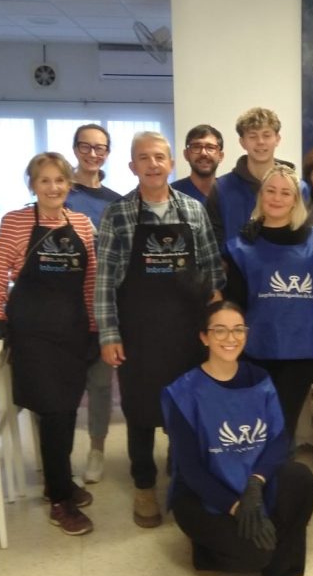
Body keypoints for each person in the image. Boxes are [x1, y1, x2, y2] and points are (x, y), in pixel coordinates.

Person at [96, 131, 225, 529]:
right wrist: (109, 334)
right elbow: (104, 281)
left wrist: (215, 328)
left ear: (171, 164)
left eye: (159, 157)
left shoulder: (193, 210)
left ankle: (179, 473)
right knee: (139, 412)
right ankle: (144, 484)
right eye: (143, 158)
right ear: (132, 166)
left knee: (184, 410)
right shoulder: (118, 214)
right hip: (138, 332)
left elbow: (212, 270)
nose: (152, 164)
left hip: (187, 331)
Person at [162, 301, 313, 576]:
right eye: (220, 330)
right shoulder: (182, 392)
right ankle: (206, 551)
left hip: (250, 482)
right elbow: (190, 469)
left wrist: (256, 484)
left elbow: (278, 439)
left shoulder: (260, 379)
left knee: (301, 479)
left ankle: (285, 569)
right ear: (204, 337)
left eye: (238, 330)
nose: (230, 338)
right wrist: (236, 506)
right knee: (253, 555)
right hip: (203, 495)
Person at [0, 152, 98, 536]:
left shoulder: (81, 224)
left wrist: (93, 327)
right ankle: (60, 500)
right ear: (32, 185)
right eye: (44, 180)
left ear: (70, 184)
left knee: (67, 410)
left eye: (59, 180)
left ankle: (56, 480)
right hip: (33, 331)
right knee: (52, 411)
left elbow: (90, 281)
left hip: (72, 330)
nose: (53, 187)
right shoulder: (16, 222)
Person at [223, 166, 313, 442]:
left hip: (300, 350)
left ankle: (279, 469)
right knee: (256, 422)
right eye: (270, 191)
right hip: (256, 347)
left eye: (285, 193)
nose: (277, 198)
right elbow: (236, 302)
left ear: (295, 200)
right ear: (261, 195)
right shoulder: (240, 246)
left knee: (284, 424)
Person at [64, 123, 122, 485]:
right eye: (85, 146)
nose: (92, 153)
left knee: (100, 384)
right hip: (64, 305)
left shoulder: (115, 201)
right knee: (64, 386)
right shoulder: (60, 193)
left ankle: (97, 448)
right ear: (75, 149)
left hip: (102, 304)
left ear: (107, 153)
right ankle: (57, 454)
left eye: (100, 148)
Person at [206, 107, 308, 253]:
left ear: (277, 139)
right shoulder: (220, 189)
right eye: (253, 136)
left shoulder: (299, 188)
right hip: (235, 267)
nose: (260, 142)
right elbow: (212, 244)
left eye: (267, 135)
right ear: (242, 142)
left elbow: (306, 239)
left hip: (288, 266)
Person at [171, 124, 224, 204]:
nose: (203, 153)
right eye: (196, 147)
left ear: (220, 156)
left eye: (210, 147)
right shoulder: (172, 194)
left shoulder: (230, 193)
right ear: (186, 154)